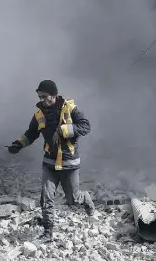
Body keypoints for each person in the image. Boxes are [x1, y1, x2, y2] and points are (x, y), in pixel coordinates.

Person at [7, 80, 95, 242]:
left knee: (73, 200)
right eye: (40, 97)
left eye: (44, 96)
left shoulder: (70, 109)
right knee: (46, 197)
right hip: (50, 163)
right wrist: (18, 144)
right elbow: (31, 134)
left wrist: (62, 130)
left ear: (53, 95)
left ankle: (85, 198)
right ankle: (48, 233)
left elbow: (86, 126)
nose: (42, 100)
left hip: (69, 163)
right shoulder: (39, 114)